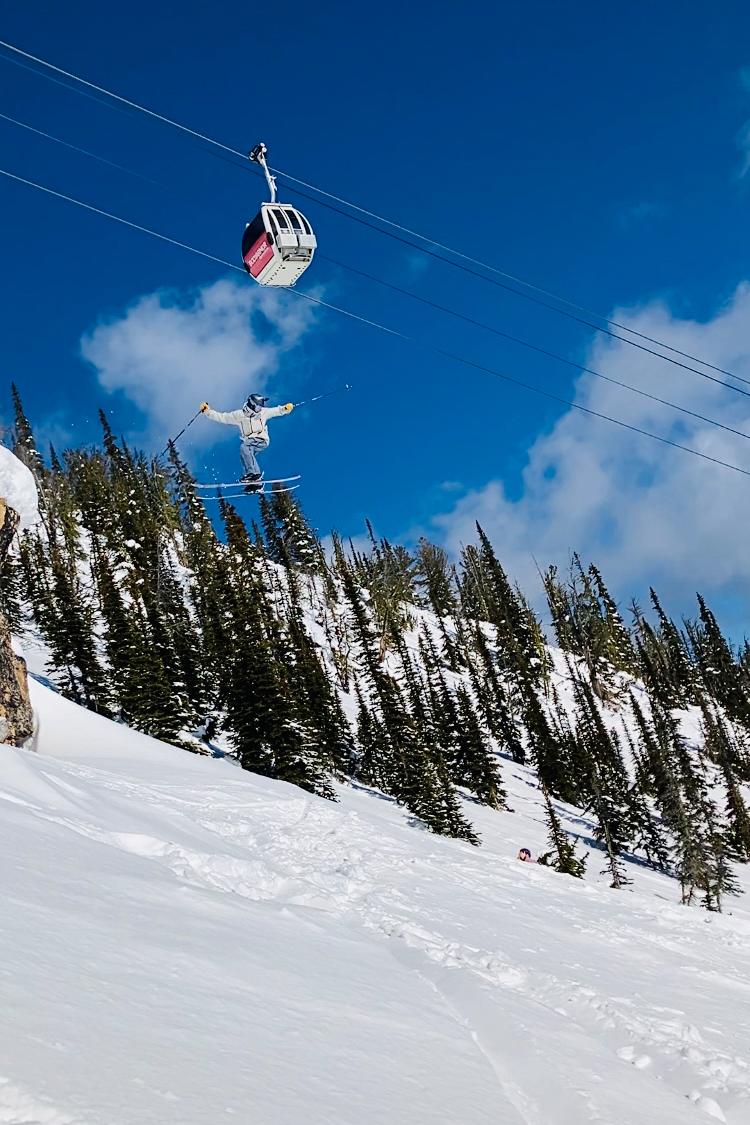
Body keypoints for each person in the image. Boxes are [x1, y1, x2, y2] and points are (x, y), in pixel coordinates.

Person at [199, 394, 294, 490]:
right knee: (244, 454)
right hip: (249, 441)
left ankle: (254, 475)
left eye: (261, 407)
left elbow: (276, 411)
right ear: (251, 405)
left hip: (261, 439)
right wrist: (208, 412)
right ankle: (255, 484)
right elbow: (223, 417)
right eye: (258, 407)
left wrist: (285, 409)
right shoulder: (239, 415)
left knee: (245, 447)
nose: (260, 409)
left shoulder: (263, 413)